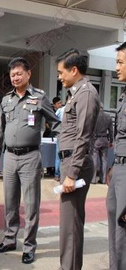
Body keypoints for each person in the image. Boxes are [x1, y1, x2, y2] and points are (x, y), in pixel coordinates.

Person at [0, 57, 60, 264]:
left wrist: (67, 142)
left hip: (31, 157)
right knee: (10, 203)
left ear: (28, 74)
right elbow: (0, 129)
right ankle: (10, 239)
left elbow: (55, 122)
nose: (15, 78)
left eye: (19, 74)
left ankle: (29, 246)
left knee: (31, 205)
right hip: (9, 157)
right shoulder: (6, 100)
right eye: (12, 75)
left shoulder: (40, 97)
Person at [56, 48, 100, 270]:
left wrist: (72, 174)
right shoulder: (77, 92)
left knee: (71, 226)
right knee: (67, 225)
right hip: (70, 162)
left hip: (77, 165)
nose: (59, 76)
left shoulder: (86, 94)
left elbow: (84, 135)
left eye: (62, 72)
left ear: (74, 70)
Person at [107, 42, 126, 270]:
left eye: (120, 62)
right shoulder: (123, 96)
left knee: (123, 227)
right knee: (114, 222)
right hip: (119, 166)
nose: (117, 68)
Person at [92, 103, 113, 184]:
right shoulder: (108, 117)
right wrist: (111, 141)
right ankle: (103, 179)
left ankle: (93, 179)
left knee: (94, 159)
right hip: (104, 139)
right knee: (104, 160)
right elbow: (111, 130)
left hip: (95, 139)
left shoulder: (94, 116)